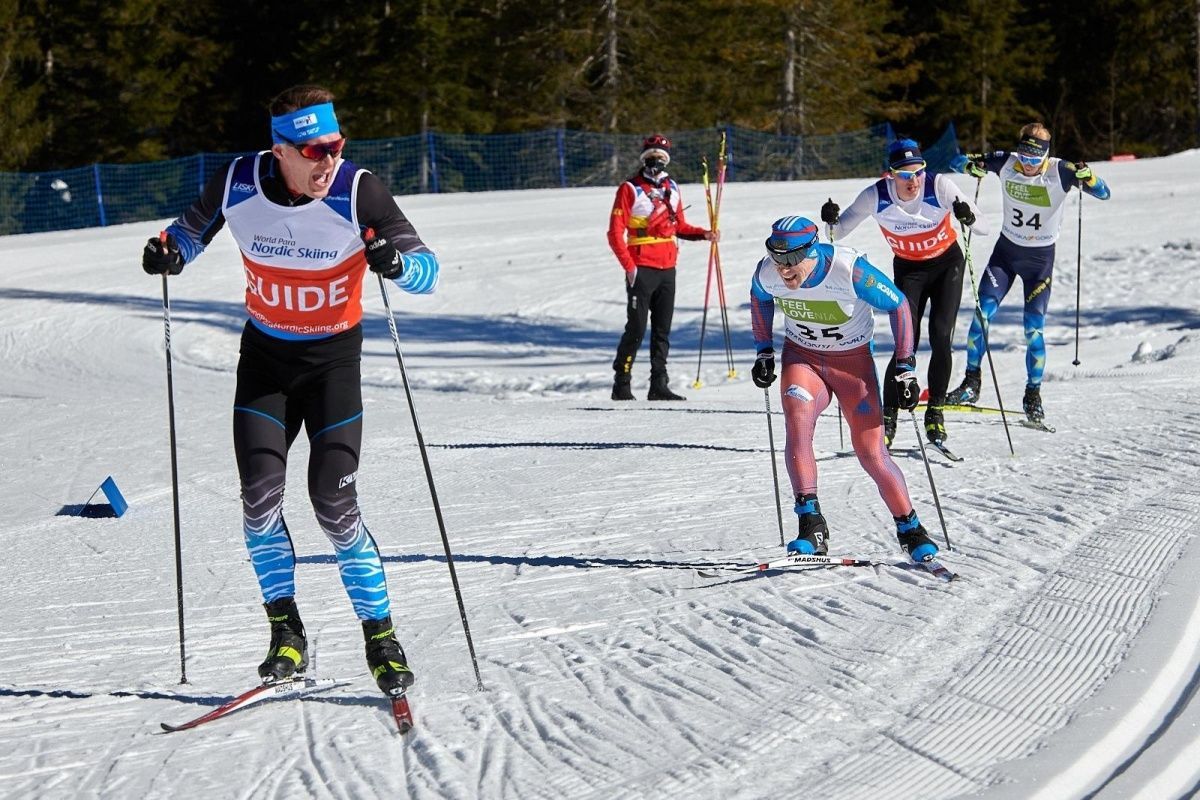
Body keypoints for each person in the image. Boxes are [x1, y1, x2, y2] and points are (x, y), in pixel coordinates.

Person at [141, 85, 439, 697]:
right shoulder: (238, 181)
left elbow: (428, 272)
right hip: (266, 364)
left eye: (335, 147)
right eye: (312, 151)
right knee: (258, 497)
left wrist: (395, 264)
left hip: (332, 366)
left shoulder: (360, 192)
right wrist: (169, 253)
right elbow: (189, 234)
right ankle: (286, 632)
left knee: (333, 502)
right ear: (280, 150)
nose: (327, 161)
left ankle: (380, 636)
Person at [750, 215, 938, 563]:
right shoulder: (767, 272)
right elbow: (759, 298)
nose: (784, 270)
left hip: (852, 366)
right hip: (802, 359)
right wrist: (763, 351)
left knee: (870, 453)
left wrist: (905, 367)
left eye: (791, 260)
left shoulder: (849, 271)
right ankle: (811, 526)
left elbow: (897, 305)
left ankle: (910, 529)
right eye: (777, 259)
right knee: (797, 420)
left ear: (812, 250)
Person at [821, 139, 986, 447]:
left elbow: (983, 227)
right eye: (904, 174)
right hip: (910, 271)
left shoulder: (940, 187)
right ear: (891, 174)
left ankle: (935, 411)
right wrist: (830, 217)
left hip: (947, 265)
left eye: (918, 172)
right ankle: (888, 418)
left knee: (940, 336)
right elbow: (836, 233)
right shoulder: (875, 196)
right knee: (904, 342)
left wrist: (967, 215)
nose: (913, 181)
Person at [945, 123, 1112, 422]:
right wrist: (974, 167)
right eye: (1024, 156)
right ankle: (971, 383)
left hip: (1039, 263)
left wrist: (1091, 177)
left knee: (1033, 331)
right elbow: (956, 162)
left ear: (1045, 157)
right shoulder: (1006, 161)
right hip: (1005, 256)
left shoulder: (1062, 171)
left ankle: (1032, 394)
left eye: (1035, 160)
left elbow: (1104, 193)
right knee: (981, 315)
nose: (1027, 165)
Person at [608, 134, 718, 401]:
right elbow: (614, 233)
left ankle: (659, 384)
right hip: (641, 266)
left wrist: (704, 234)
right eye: (650, 157)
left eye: (660, 157)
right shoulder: (630, 189)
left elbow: (679, 226)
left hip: (668, 266)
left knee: (662, 329)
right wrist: (630, 268)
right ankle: (621, 383)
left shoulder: (672, 188)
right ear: (643, 159)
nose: (655, 161)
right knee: (636, 328)